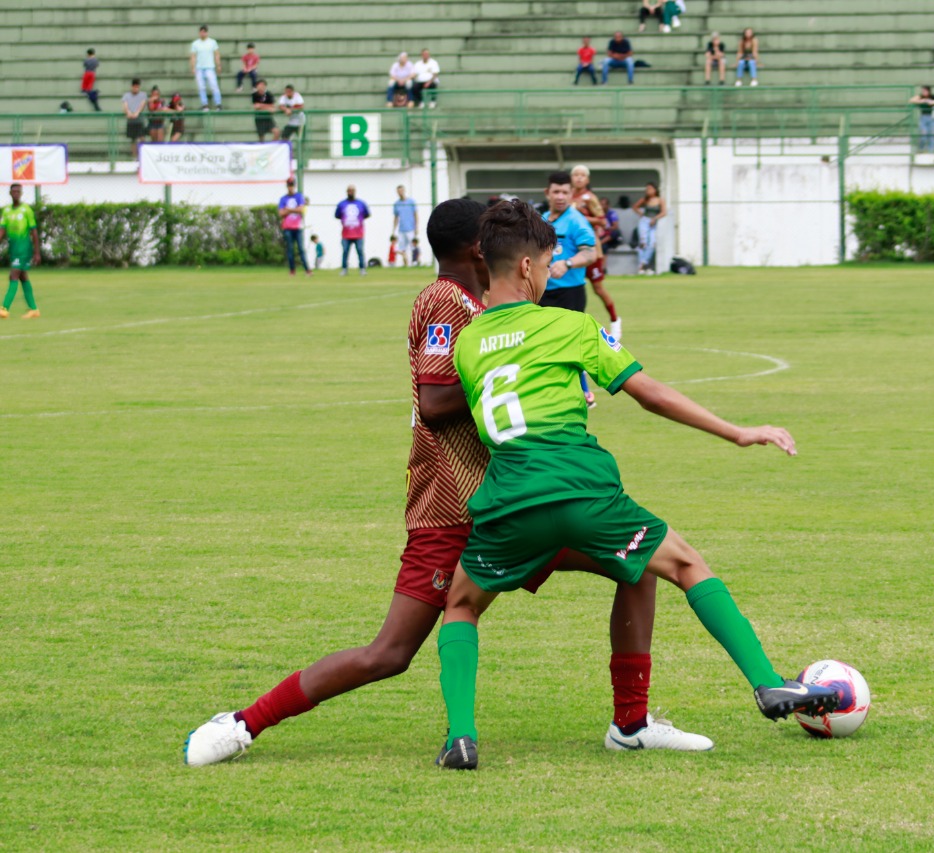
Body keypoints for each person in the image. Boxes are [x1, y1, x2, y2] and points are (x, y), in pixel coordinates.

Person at [183, 198, 712, 768]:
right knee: (387, 654)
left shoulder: (484, 307)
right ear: (476, 251)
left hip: (511, 503)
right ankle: (243, 723)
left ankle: (631, 723)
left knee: (637, 563)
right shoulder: (443, 301)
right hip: (451, 509)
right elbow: (435, 402)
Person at [431, 199, 839, 770]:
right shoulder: (571, 324)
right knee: (685, 564)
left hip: (507, 503)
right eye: (550, 265)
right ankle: (768, 683)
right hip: (582, 491)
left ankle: (463, 738)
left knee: (463, 606)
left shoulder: (469, 343)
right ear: (526, 268)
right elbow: (649, 393)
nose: (553, 276)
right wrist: (738, 432)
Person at [539, 171, 599, 404]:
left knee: (570, 342)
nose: (561, 196)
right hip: (543, 291)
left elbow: (590, 252)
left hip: (570, 293)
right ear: (548, 193)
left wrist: (568, 262)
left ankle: (585, 393)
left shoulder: (576, 221)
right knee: (546, 342)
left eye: (565, 192)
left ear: (572, 194)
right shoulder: (543, 220)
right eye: (556, 191)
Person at [570, 165, 622, 339]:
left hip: (590, 249)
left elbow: (603, 222)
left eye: (582, 175)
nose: (578, 178)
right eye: (576, 175)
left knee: (598, 288)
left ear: (587, 179)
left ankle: (615, 320)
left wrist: (582, 217)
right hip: (571, 249)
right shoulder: (566, 196)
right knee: (571, 287)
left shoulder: (590, 198)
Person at [0, 184, 41, 320]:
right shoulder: (6, 211)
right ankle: (34, 309)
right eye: (13, 191)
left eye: (18, 191)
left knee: (13, 275)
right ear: (10, 193)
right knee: (23, 277)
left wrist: (36, 252)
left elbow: (34, 231)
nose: (16, 193)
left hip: (24, 248)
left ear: (21, 193)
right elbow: (2, 230)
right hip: (14, 248)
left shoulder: (26, 210)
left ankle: (4, 308)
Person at [335, 185, 371, 276]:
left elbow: (367, 214)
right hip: (346, 234)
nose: (350, 192)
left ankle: (362, 269)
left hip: (358, 233)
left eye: (352, 190)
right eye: (349, 191)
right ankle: (344, 269)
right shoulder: (342, 204)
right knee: (345, 251)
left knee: (360, 251)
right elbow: (337, 215)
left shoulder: (361, 203)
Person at [632, 182, 666, 274]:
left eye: (650, 189)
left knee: (652, 243)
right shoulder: (645, 200)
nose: (648, 191)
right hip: (644, 221)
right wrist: (641, 214)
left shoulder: (660, 200)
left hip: (653, 222)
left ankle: (644, 263)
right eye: (647, 189)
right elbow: (635, 206)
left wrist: (655, 218)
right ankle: (641, 267)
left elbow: (663, 212)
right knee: (643, 243)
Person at [279, 177, 310, 277]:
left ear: (294, 186)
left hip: (298, 227)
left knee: (301, 249)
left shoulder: (299, 197)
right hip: (287, 227)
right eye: (289, 185)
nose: (290, 187)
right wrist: (293, 209)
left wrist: (288, 210)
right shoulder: (283, 199)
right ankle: (292, 270)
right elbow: (281, 213)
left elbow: (301, 210)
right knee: (290, 250)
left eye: (292, 185)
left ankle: (307, 270)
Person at [189, 25, 222, 111]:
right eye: (201, 32)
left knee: (214, 86)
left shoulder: (212, 42)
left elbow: (216, 54)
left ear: (207, 33)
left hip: (210, 67)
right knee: (201, 87)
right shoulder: (195, 44)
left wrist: (218, 65)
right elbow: (193, 56)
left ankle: (218, 103)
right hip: (199, 68)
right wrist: (193, 67)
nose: (203, 33)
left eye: (204, 32)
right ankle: (205, 104)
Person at [909, 85, 934, 152]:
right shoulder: (921, 97)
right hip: (923, 118)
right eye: (923, 91)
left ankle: (931, 152)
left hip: (933, 117)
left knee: (931, 135)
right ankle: (921, 149)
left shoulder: (933, 97)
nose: (923, 92)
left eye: (925, 91)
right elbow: (911, 100)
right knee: (923, 134)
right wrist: (923, 101)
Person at [121, 78, 147, 156]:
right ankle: (134, 156)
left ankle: (143, 155)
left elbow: (142, 104)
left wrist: (137, 113)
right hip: (131, 121)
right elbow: (125, 105)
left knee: (142, 138)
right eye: (134, 87)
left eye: (137, 87)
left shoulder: (143, 95)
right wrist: (128, 112)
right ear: (132, 87)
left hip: (139, 120)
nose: (136, 88)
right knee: (133, 140)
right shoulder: (126, 95)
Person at [392, 185, 417, 258]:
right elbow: (396, 217)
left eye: (401, 191)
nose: (400, 193)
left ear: (404, 191)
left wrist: (416, 227)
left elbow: (416, 215)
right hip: (401, 229)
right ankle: (405, 264)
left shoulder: (411, 202)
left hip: (410, 228)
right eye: (398, 191)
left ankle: (415, 262)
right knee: (402, 248)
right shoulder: (396, 204)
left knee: (413, 247)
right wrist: (394, 230)